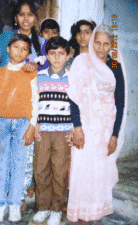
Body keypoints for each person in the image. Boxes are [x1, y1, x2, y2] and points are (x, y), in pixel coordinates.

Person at [66, 24, 125, 223]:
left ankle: (96, 214)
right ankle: (81, 214)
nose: (100, 48)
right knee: (81, 171)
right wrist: (77, 127)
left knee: (100, 173)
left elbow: (120, 102)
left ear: (111, 45)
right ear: (92, 42)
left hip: (105, 130)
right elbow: (73, 98)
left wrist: (115, 134)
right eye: (97, 42)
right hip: (85, 127)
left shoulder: (115, 67)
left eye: (106, 44)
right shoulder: (82, 62)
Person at [0, 33, 38, 223]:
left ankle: (14, 204)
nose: (20, 52)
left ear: (28, 53)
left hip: (23, 123)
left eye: (24, 49)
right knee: (0, 164)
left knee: (18, 163)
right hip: (1, 121)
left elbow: (35, 100)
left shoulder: (31, 72)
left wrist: (32, 126)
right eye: (16, 47)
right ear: (8, 49)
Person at [31, 36, 80, 225]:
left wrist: (74, 129)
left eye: (61, 53)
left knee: (59, 171)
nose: (57, 57)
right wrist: (34, 125)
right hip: (42, 131)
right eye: (52, 53)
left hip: (63, 133)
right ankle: (43, 207)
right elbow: (33, 103)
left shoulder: (72, 79)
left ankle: (56, 209)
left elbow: (76, 105)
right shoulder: (39, 78)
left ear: (68, 55)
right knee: (41, 169)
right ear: (47, 56)